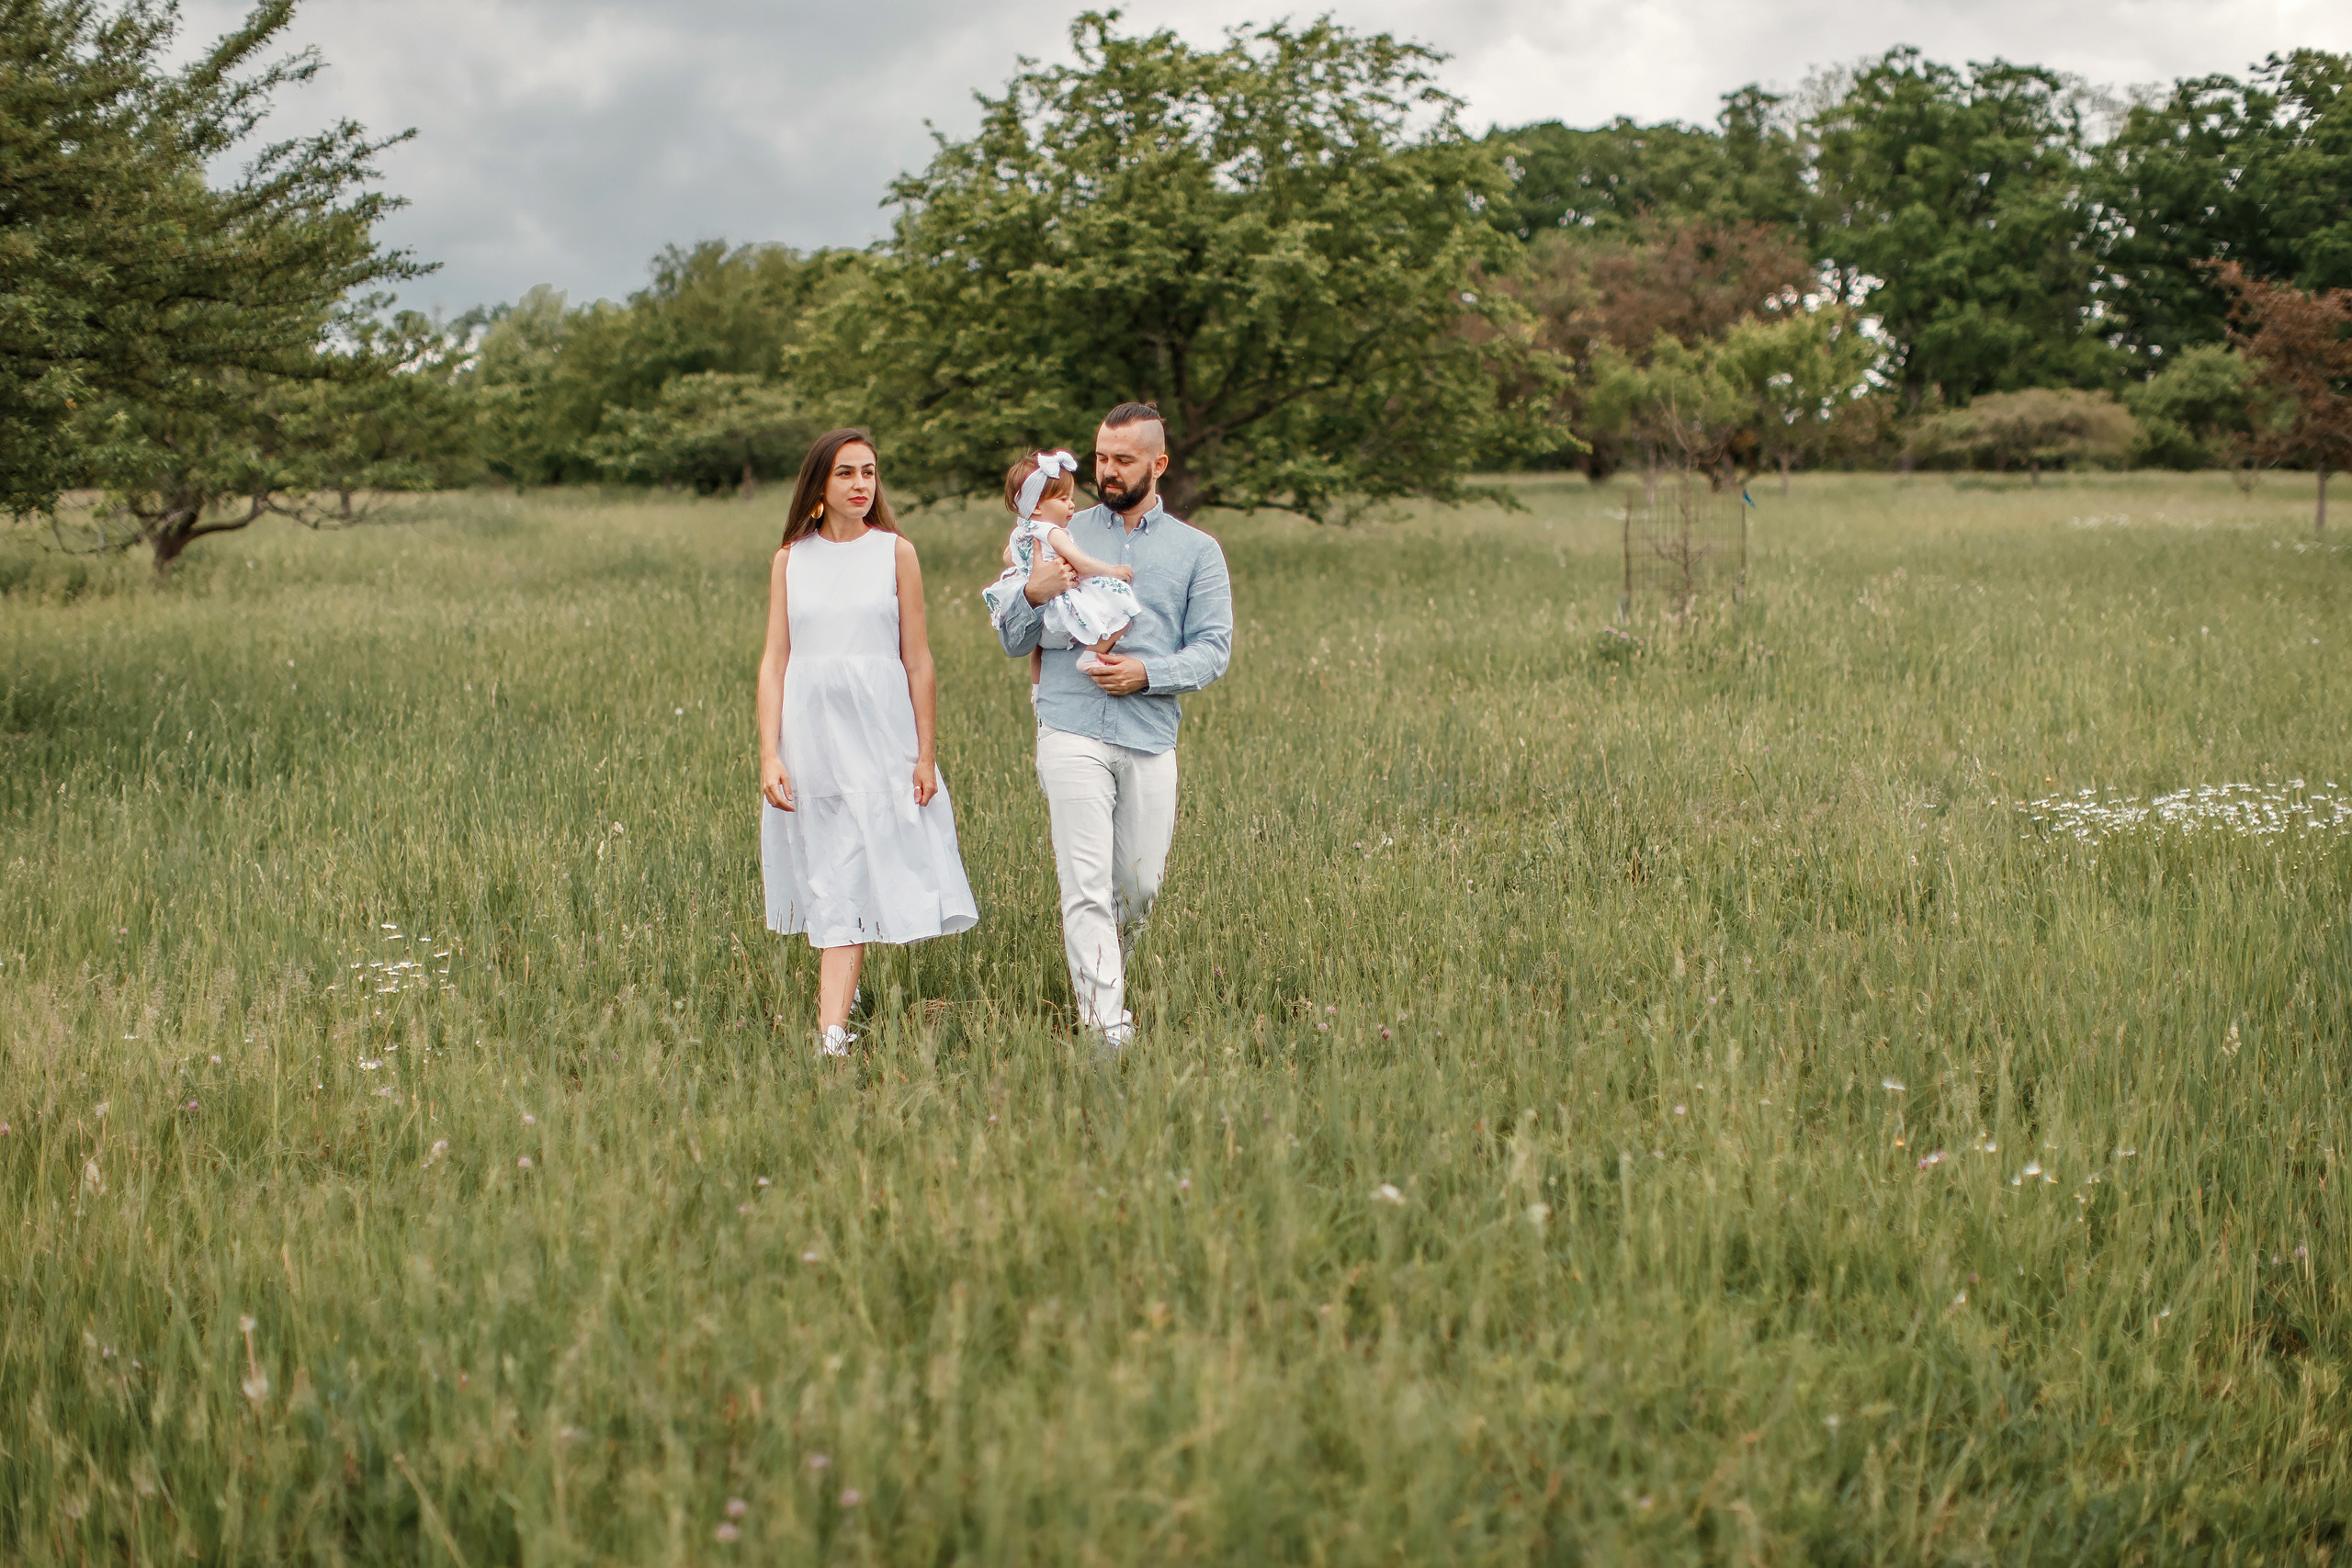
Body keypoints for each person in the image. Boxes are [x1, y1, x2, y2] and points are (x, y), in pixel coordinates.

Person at [994, 402, 1233, 1048]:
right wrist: (1034, 592)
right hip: (1069, 727)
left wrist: (1145, 673)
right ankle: (1106, 1026)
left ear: (1158, 463)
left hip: (1150, 733)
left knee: (1138, 885)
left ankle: (1105, 982)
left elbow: (1214, 649)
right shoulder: (1052, 529)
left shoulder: (1197, 551)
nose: (1107, 470)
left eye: (1123, 459)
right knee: (1086, 883)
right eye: (1101, 456)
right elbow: (1014, 640)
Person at [757, 428, 977, 1056]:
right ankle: (836, 1021)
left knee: (858, 863)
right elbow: (775, 660)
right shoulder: (791, 558)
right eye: (847, 473)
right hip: (812, 739)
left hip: (881, 737)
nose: (861, 484)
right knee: (831, 870)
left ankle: (834, 1020)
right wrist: (769, 751)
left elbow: (919, 660)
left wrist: (926, 753)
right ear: (820, 485)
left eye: (870, 472)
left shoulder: (895, 553)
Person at [981, 448, 1139, 694]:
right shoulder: (1053, 533)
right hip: (1062, 612)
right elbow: (1083, 565)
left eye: (1071, 498)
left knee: (1040, 650)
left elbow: (1008, 557)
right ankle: (1092, 654)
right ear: (1036, 507)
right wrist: (1114, 571)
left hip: (1041, 621)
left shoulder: (1021, 532)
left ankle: (1038, 689)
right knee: (1125, 608)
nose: (1071, 505)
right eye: (1063, 499)